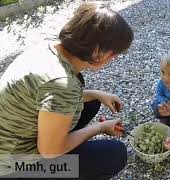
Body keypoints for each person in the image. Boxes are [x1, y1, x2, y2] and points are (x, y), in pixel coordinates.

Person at [0, 2, 133, 179]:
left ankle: (63, 140)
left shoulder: (46, 48)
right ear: (97, 51)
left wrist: (96, 95)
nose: (114, 58)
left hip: (10, 142)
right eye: (114, 53)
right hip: (15, 166)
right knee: (114, 154)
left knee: (92, 102)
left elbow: (47, 98)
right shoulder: (62, 84)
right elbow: (49, 152)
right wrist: (99, 128)